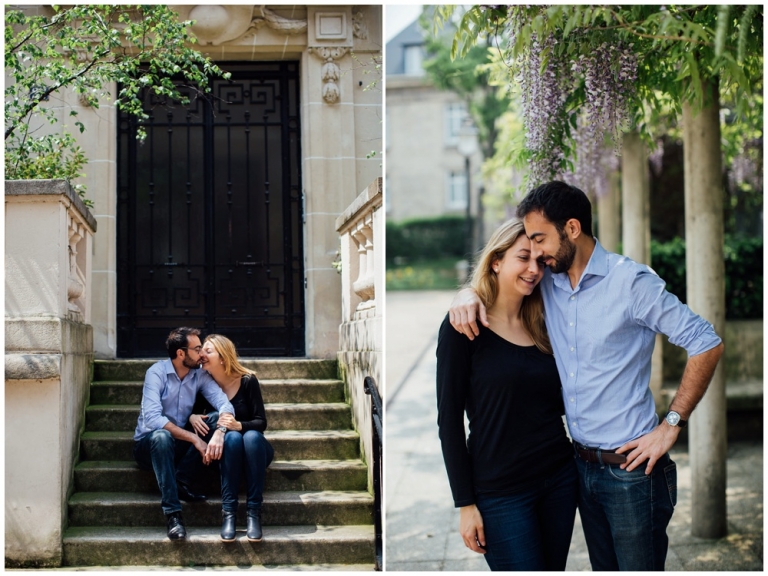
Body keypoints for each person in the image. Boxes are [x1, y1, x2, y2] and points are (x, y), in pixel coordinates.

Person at [450, 181, 724, 571]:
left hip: (632, 471)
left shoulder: (631, 283)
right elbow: (504, 281)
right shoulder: (550, 283)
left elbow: (706, 342)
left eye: (541, 239)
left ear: (573, 229)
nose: (537, 254)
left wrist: (672, 424)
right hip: (579, 470)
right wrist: (466, 294)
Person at [437, 219, 578, 571]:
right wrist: (465, 504)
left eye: (540, 262)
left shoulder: (545, 321)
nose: (534, 270)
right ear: (496, 260)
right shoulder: (463, 327)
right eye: (523, 258)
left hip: (559, 479)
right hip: (501, 493)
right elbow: (449, 421)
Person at [133, 327, 235, 540]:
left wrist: (220, 432)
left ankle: (181, 478)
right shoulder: (156, 373)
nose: (202, 354)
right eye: (197, 349)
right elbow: (152, 419)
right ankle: (173, 515)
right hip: (149, 446)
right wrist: (194, 438)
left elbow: (224, 404)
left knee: (215, 418)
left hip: (178, 446)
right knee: (162, 436)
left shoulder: (199, 375)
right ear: (181, 354)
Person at [190, 334, 274, 543]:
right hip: (225, 452)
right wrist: (191, 416)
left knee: (252, 437)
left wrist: (239, 425)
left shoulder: (247, 380)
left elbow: (261, 422)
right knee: (233, 439)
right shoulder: (202, 383)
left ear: (223, 357)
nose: (202, 355)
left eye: (208, 351)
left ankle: (253, 513)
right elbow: (191, 413)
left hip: (254, 452)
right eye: (202, 351)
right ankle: (229, 514)